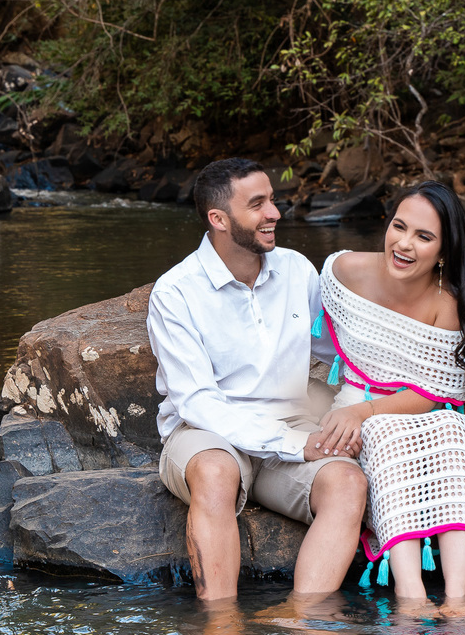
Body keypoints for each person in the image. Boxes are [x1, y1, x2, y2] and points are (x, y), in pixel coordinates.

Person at [146, 157, 367, 604]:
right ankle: (222, 629)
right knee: (214, 473)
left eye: (273, 200)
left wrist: (350, 405)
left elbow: (345, 355)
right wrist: (292, 445)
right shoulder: (175, 293)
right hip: (205, 431)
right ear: (219, 219)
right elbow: (198, 402)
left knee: (348, 484)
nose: (275, 214)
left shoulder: (297, 270)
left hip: (292, 423)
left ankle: (306, 620)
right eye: (259, 204)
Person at [311, 180, 465, 605]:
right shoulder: (343, 272)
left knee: (454, 433)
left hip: (418, 407)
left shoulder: (443, 302)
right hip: (358, 401)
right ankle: (411, 597)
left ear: (444, 250)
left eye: (424, 237)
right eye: (399, 227)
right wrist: (358, 413)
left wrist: (372, 410)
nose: (404, 244)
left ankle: (458, 597)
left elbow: (435, 392)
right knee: (385, 440)